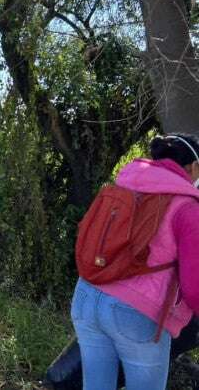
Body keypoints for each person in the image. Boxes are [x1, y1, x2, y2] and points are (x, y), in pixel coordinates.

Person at [72, 134, 199, 390]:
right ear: (193, 166)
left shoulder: (124, 186)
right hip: (136, 314)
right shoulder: (187, 208)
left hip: (86, 296)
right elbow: (194, 287)